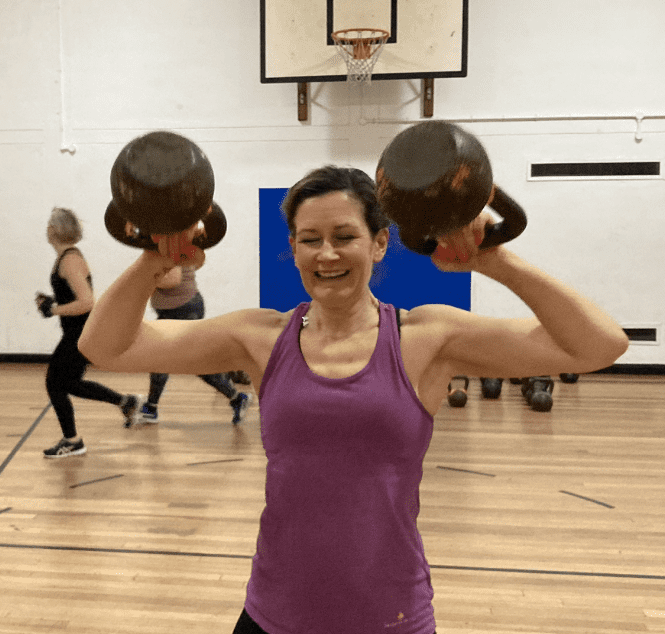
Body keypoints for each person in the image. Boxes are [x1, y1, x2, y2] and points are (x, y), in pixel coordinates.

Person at [79, 166, 629, 634]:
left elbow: (599, 345)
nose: (327, 254)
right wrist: (153, 260)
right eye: (309, 239)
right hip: (275, 613)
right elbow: (105, 347)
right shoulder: (260, 337)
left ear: (380, 242)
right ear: (293, 248)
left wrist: (494, 259)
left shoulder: (426, 338)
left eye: (345, 236)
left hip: (390, 616)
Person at [35, 207, 143, 458]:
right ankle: (126, 402)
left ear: (55, 230)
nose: (47, 228)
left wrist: (53, 310)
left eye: (50, 224)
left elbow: (86, 302)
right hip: (79, 331)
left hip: (81, 333)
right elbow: (74, 297)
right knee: (69, 383)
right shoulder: (66, 258)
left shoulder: (70, 260)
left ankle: (73, 441)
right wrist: (52, 302)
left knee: (54, 383)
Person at [141, 264, 250, 424]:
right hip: (175, 311)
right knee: (175, 360)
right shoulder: (163, 250)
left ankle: (151, 409)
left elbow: (173, 279)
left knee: (166, 358)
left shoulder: (172, 249)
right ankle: (237, 398)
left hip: (184, 310)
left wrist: (146, 279)